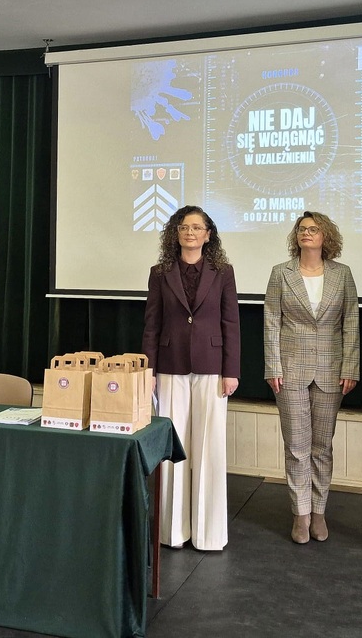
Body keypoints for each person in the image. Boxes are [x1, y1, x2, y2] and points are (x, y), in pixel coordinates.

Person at [142, 205, 240, 550]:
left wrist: (231, 371)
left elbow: (231, 323)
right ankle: (172, 532)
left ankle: (209, 534)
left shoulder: (223, 272)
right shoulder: (159, 273)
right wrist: (148, 370)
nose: (190, 232)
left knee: (210, 448)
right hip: (169, 366)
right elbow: (151, 324)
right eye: (184, 227)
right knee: (173, 447)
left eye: (197, 227)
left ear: (208, 235)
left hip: (212, 367)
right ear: (176, 233)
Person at [263, 211, 359, 544]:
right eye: (302, 229)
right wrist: (273, 366)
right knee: (296, 447)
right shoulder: (281, 273)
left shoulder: (342, 274)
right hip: (289, 370)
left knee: (322, 447)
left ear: (325, 236)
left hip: (332, 370)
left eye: (314, 229)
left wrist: (351, 367)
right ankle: (300, 515)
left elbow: (351, 323)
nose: (306, 233)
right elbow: (271, 322)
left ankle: (319, 512)